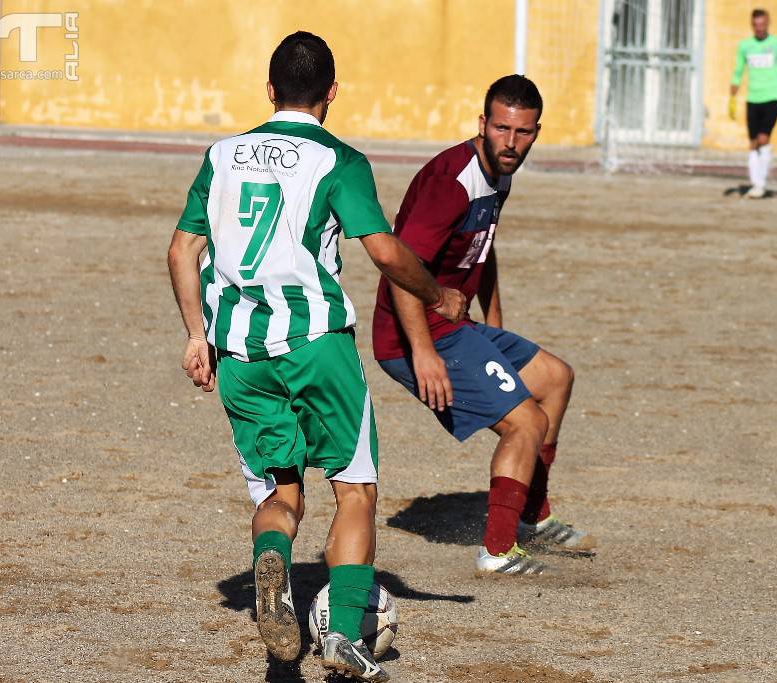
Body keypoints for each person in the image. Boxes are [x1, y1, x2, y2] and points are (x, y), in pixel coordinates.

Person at [167, 31, 464, 682]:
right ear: (332, 93)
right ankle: (345, 634)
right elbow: (384, 252)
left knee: (282, 489)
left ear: (269, 91)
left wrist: (197, 334)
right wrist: (440, 294)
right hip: (316, 346)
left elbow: (180, 250)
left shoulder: (221, 156)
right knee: (354, 488)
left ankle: (273, 555)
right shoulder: (338, 160)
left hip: (241, 354)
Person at [371, 75, 595, 577]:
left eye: (523, 132)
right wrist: (422, 352)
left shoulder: (502, 172)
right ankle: (497, 551)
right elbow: (400, 266)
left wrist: (493, 327)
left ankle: (533, 517)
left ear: (537, 131)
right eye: (501, 129)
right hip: (413, 335)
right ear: (482, 124)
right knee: (526, 422)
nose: (511, 142)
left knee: (556, 378)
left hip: (456, 327)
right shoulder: (451, 182)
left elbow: (482, 248)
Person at [729, 8, 777, 198]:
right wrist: (732, 98)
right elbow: (738, 72)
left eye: (762, 24)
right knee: (753, 142)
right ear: (751, 25)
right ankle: (756, 182)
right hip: (753, 98)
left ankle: (760, 185)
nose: (759, 28)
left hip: (773, 98)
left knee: (763, 138)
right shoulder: (745, 46)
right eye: (756, 25)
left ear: (768, 24)